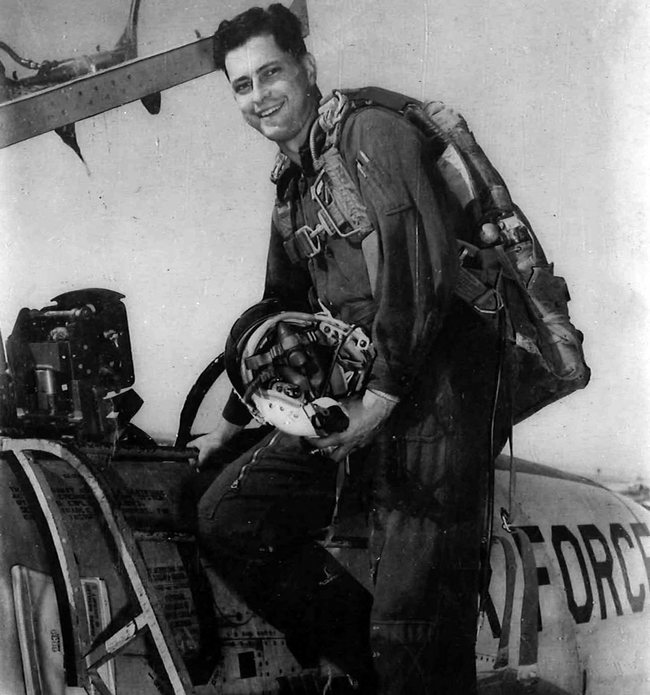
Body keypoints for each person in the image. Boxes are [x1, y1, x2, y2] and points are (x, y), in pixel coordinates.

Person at [190, 4, 510, 693]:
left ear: (306, 68)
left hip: (435, 402)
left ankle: (404, 663)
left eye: (269, 73)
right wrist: (228, 427)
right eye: (241, 86)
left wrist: (379, 401)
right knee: (229, 517)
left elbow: (415, 276)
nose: (258, 97)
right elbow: (277, 320)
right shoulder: (294, 181)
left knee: (410, 630)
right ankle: (379, 668)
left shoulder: (372, 134)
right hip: (361, 391)